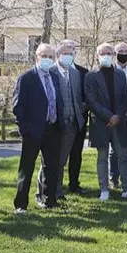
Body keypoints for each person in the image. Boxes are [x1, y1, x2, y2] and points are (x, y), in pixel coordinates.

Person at [12, 44, 64, 214]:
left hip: (52, 128)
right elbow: (18, 107)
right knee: (26, 168)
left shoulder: (55, 77)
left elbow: (57, 101)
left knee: (52, 167)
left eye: (51, 56)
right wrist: (24, 129)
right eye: (44, 55)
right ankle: (21, 204)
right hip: (32, 131)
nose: (47, 59)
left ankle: (50, 200)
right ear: (36, 57)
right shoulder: (26, 78)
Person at [36, 40, 85, 204]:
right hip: (55, 124)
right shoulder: (50, 72)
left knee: (62, 160)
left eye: (71, 54)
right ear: (58, 55)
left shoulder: (75, 73)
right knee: (49, 161)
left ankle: (57, 191)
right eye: (65, 53)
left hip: (71, 124)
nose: (68, 56)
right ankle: (42, 191)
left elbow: (76, 98)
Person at [84, 43, 127, 201]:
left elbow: (124, 99)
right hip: (101, 122)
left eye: (109, 53)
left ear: (113, 55)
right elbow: (91, 101)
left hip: (118, 122)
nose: (106, 55)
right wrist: (109, 117)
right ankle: (104, 189)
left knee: (124, 154)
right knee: (102, 157)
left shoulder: (120, 75)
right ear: (97, 55)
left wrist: (117, 116)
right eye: (103, 53)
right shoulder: (91, 76)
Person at [109, 42, 127, 189]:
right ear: (115, 53)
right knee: (114, 150)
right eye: (121, 51)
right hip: (115, 115)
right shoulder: (109, 70)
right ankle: (113, 178)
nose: (124, 53)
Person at [67, 58, 89, 195]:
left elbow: (88, 95)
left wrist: (82, 109)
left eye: (71, 51)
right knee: (58, 156)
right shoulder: (52, 71)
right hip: (61, 121)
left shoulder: (83, 72)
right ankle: (55, 185)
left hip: (79, 120)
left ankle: (74, 183)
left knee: (76, 154)